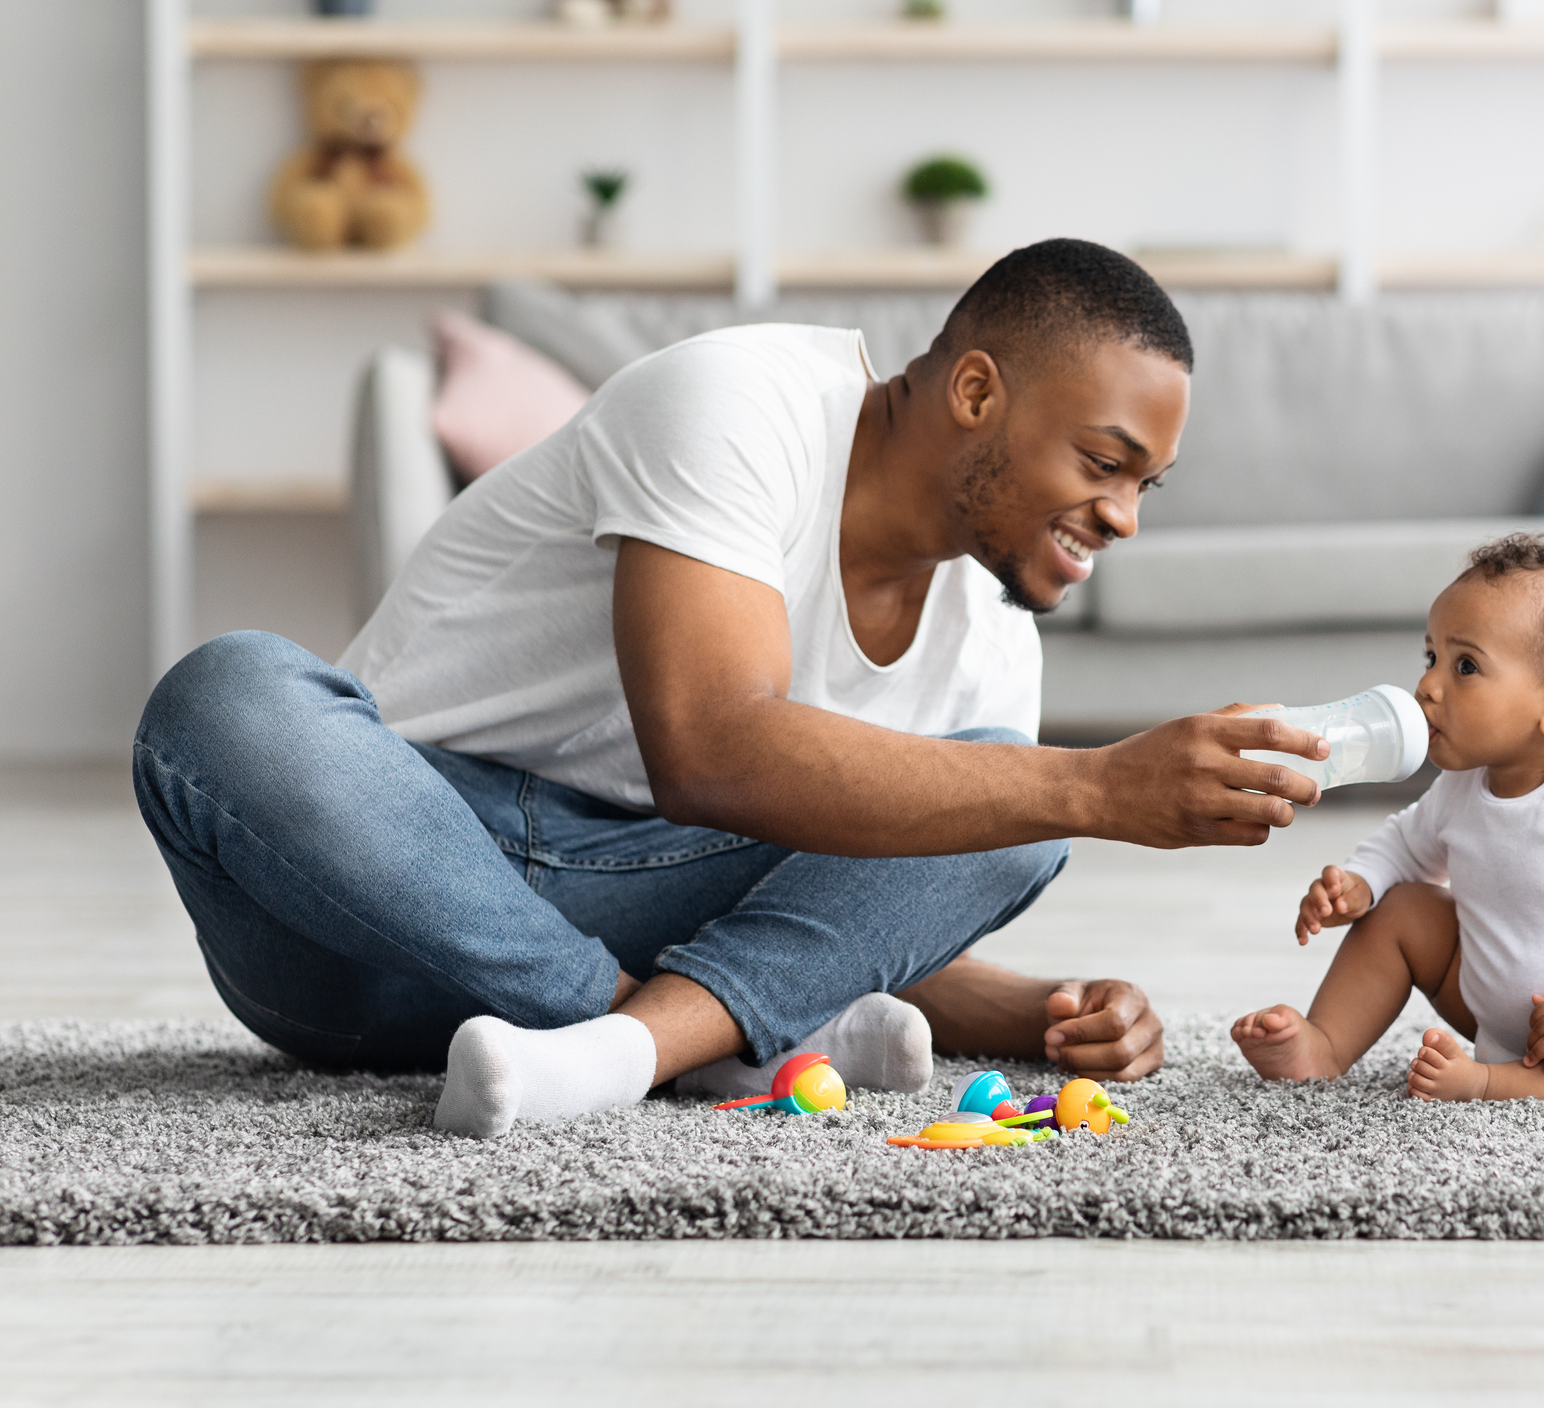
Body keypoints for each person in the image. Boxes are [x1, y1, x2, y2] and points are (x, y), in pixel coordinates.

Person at [135, 240, 1331, 1138]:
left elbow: (833, 914)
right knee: (227, 693)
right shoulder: (741, 403)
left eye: (1147, 487)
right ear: (976, 393)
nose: (1122, 517)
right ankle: (650, 1038)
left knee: (1018, 815)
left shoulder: (990, 647)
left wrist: (1039, 1009)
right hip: (369, 915)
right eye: (1105, 463)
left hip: (657, 914)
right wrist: (1101, 781)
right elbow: (706, 749)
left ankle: (620, 1049)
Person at [1230, 533, 1544, 1102]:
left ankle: (1495, 1082)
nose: (1426, 686)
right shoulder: (1463, 782)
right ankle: (1325, 1044)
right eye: (1430, 657)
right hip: (1497, 1011)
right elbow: (1404, 846)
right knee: (1403, 908)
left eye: (1464, 666)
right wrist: (1360, 884)